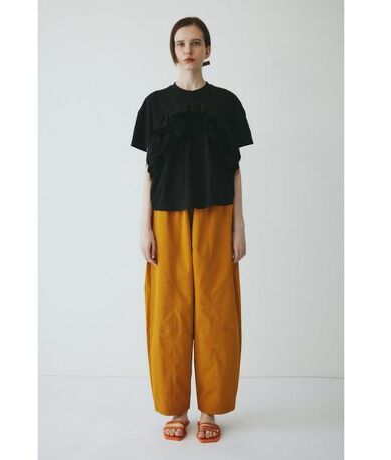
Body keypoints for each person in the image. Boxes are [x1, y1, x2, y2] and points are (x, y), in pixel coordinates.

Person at [131, 16, 254, 443]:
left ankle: (210, 410)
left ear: (208, 50)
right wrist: (144, 225)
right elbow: (149, 170)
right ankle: (176, 408)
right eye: (181, 43)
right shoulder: (154, 104)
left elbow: (235, 169)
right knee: (169, 313)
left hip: (216, 214)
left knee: (217, 312)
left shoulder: (227, 103)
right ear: (173, 50)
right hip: (166, 217)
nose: (188, 50)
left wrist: (239, 225)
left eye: (196, 43)